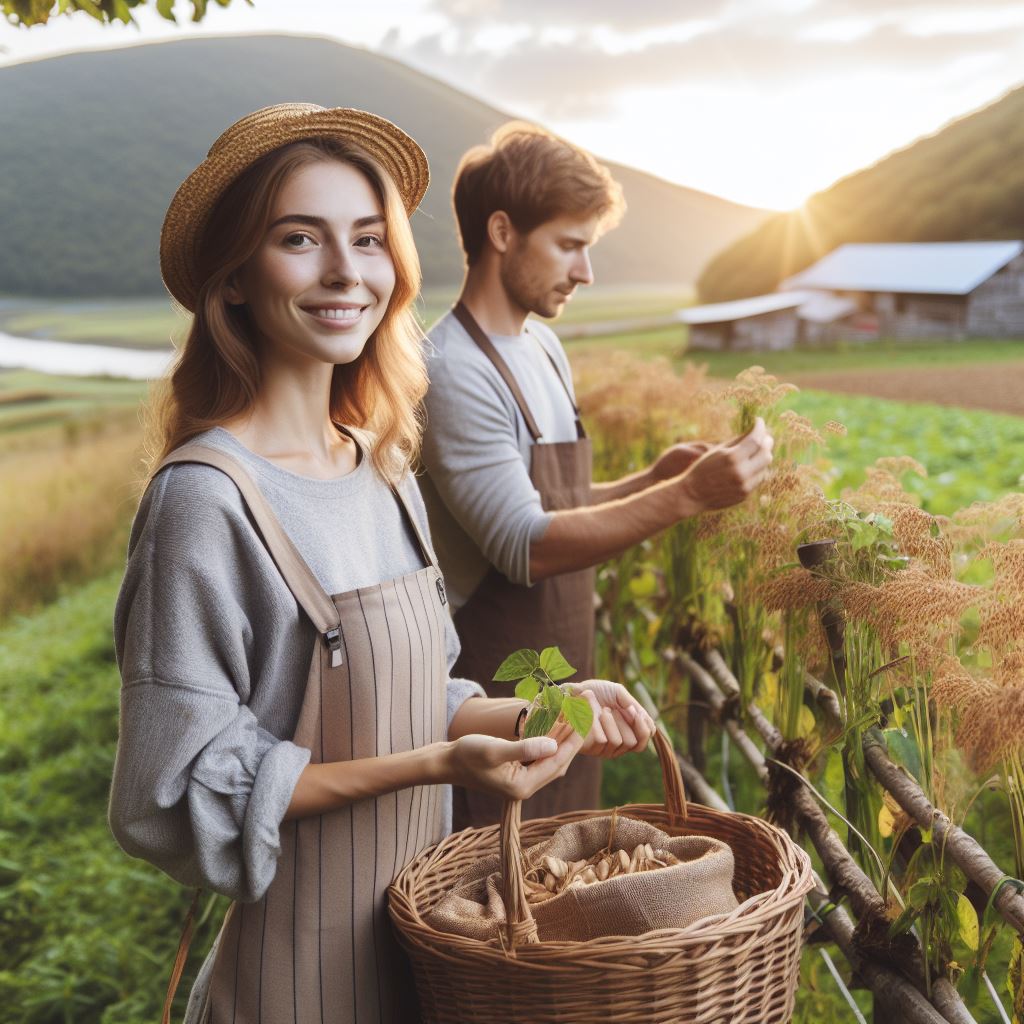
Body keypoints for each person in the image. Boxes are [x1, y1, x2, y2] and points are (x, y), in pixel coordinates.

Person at [106, 104, 656, 1024]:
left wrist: (541, 709)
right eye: (299, 238)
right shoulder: (204, 500)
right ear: (235, 278)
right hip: (297, 983)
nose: (344, 272)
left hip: (428, 957)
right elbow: (169, 792)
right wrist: (438, 765)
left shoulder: (382, 469)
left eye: (367, 240)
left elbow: (424, 690)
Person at [420, 122, 774, 831]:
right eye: (570, 245)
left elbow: (556, 504)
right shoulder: (454, 369)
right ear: (501, 232)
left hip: (558, 676)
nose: (585, 273)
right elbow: (527, 545)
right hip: (490, 684)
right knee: (489, 888)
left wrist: (654, 476)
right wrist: (684, 497)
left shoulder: (541, 346)